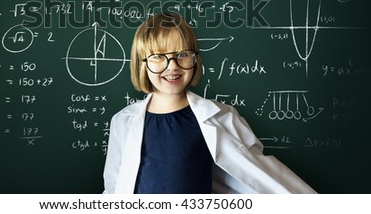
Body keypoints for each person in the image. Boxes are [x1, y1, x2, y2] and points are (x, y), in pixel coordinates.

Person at [103, 12, 316, 194]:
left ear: (195, 59)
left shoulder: (221, 117)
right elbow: (113, 187)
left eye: (183, 54)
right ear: (141, 63)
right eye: (158, 56)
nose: (172, 66)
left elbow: (257, 172)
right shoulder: (123, 121)